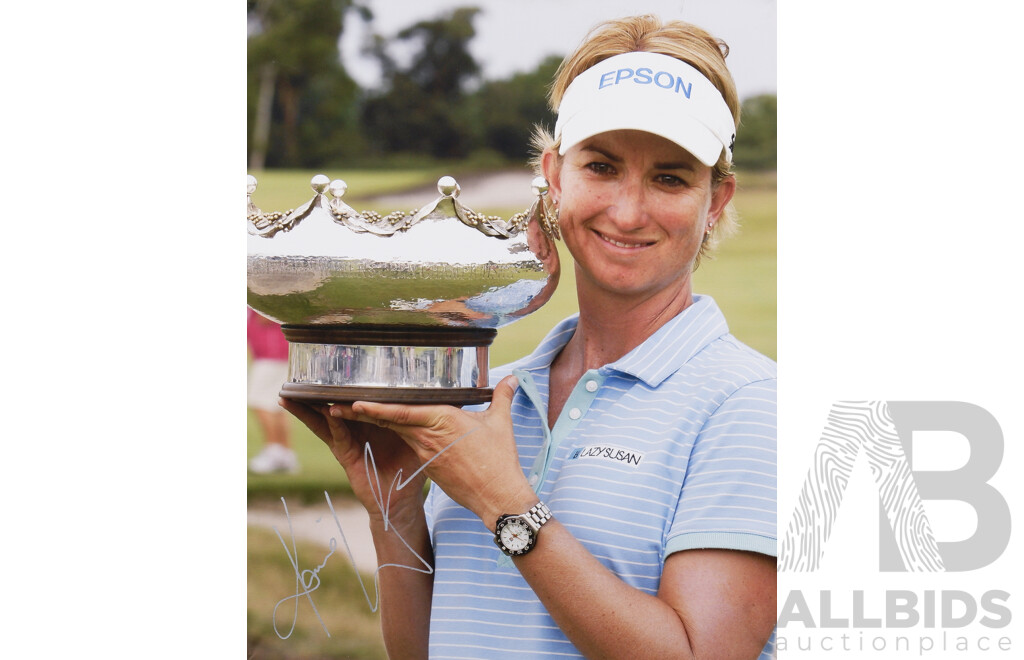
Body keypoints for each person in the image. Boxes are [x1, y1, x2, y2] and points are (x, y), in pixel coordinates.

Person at [282, 14, 776, 659]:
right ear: (554, 176)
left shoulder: (750, 406)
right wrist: (394, 510)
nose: (628, 211)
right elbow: (425, 651)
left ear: (715, 200)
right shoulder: (490, 392)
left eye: (670, 177)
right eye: (601, 166)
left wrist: (503, 502)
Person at [247, 308, 299, 474]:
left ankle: (273, 450)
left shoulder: (259, 289)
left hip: (271, 356)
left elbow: (264, 316)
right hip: (279, 355)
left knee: (259, 402)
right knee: (276, 406)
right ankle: (285, 454)